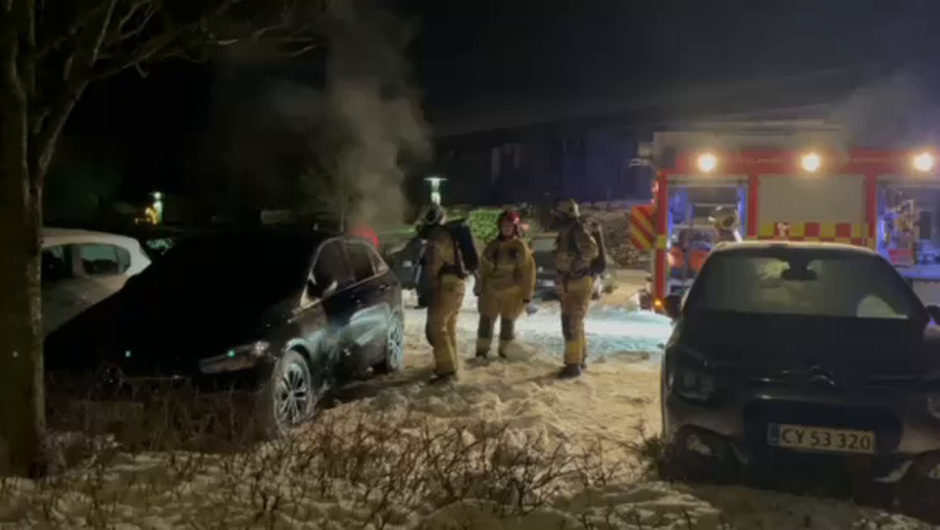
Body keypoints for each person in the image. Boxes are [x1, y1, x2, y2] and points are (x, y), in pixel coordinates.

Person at [475, 210, 536, 359]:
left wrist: (527, 295)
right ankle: (481, 352)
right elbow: (483, 269)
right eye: (503, 226)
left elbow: (528, 273)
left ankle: (505, 353)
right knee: (485, 322)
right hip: (491, 291)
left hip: (512, 292)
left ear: (515, 228)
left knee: (507, 324)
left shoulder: (520, 246)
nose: (506, 229)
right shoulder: (492, 246)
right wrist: (479, 287)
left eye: (509, 226)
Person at [419, 204, 467, 383]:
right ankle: (452, 366)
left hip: (445, 285)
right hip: (458, 285)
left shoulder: (437, 237)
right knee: (449, 326)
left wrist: (428, 287)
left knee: (437, 327)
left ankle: (446, 371)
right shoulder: (452, 234)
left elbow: (433, 265)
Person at [553, 199, 599, 379]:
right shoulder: (567, 233)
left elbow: (591, 251)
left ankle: (573, 365)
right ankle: (580, 359)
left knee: (571, 323)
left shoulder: (578, 232)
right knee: (575, 322)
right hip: (571, 283)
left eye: (560, 215)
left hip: (578, 282)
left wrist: (576, 266)